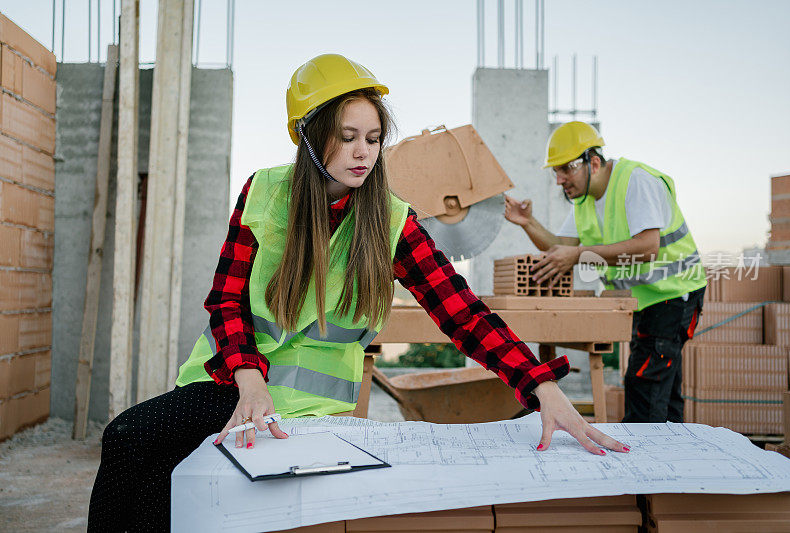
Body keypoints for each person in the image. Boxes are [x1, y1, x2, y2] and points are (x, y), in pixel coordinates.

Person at [88, 57, 628, 531]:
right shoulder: (264, 192)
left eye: (372, 139)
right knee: (131, 446)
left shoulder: (392, 222)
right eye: (346, 136)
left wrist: (540, 385)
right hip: (235, 384)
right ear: (308, 133)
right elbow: (226, 301)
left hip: (315, 408)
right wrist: (249, 383)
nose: (362, 153)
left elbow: (460, 310)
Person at [504, 121, 706, 424]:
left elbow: (648, 246)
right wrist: (527, 222)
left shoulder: (636, 180)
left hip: (674, 296)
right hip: (645, 301)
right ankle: (671, 457)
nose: (559, 180)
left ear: (593, 162)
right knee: (662, 391)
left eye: (565, 170)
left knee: (644, 387)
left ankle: (642, 463)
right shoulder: (584, 201)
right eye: (555, 172)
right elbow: (562, 248)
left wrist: (578, 254)